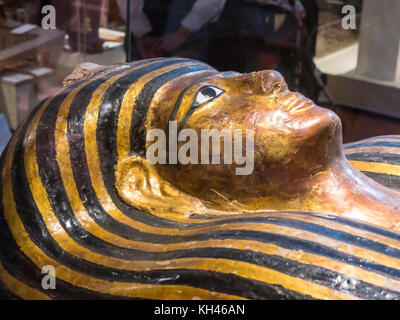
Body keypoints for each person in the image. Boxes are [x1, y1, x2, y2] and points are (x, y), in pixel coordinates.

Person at [116, 0, 226, 61]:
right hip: (141, 25)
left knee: (186, 89)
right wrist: (140, 35)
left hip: (190, 26)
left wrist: (182, 33)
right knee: (135, 89)